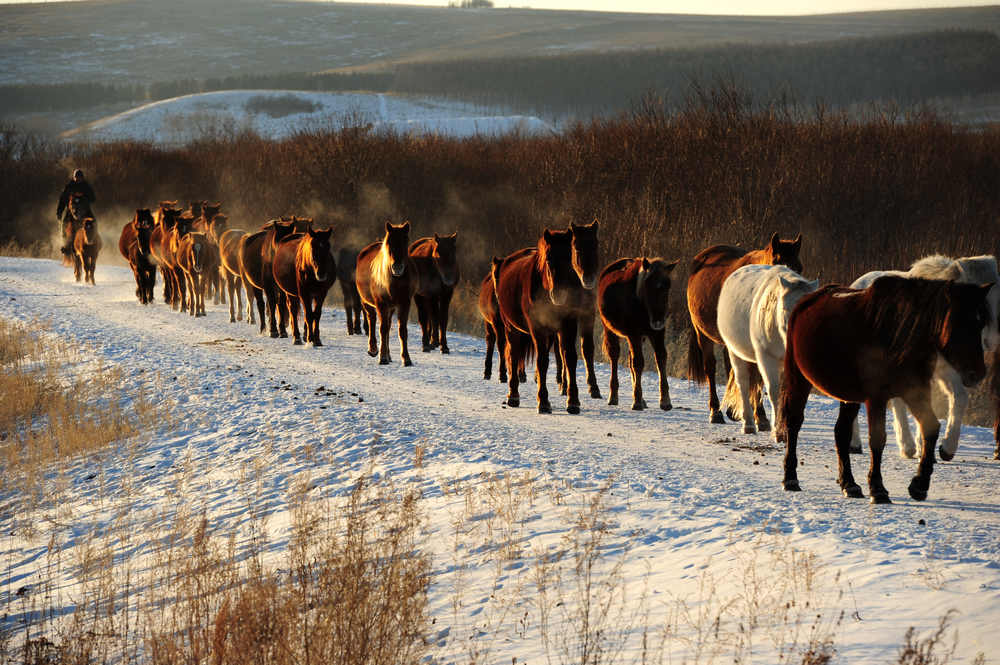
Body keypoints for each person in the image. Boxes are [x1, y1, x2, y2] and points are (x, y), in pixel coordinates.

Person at [56, 169, 96, 254]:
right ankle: (65, 244)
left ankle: (94, 241)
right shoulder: (69, 186)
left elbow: (93, 198)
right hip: (71, 210)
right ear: (74, 178)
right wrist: (59, 211)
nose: (78, 179)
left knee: (94, 221)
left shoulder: (86, 186)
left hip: (84, 209)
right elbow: (62, 200)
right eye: (77, 177)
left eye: (80, 177)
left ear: (82, 178)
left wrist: (85, 198)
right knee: (63, 224)